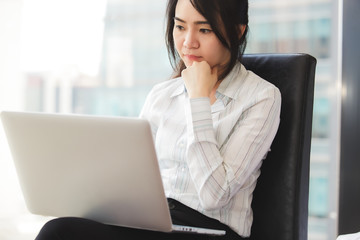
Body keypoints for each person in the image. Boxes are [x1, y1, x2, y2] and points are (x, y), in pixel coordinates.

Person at [35, 0, 281, 239]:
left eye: (204, 29)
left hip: (211, 230)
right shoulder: (162, 95)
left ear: (238, 32)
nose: (188, 42)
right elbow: (133, 175)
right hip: (153, 223)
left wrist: (198, 100)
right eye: (180, 26)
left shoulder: (261, 97)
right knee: (59, 231)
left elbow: (214, 195)